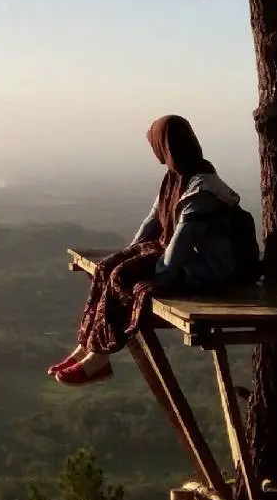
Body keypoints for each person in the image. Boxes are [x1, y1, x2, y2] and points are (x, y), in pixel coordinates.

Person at [50, 115, 242, 386]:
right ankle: (87, 346)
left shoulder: (202, 189)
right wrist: (128, 254)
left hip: (206, 269)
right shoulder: (175, 179)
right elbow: (152, 222)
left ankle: (99, 359)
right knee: (108, 268)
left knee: (123, 277)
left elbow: (184, 239)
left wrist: (159, 277)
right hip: (185, 259)